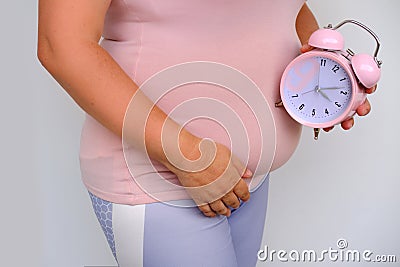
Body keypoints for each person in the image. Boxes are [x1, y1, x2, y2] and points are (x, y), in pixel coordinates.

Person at [37, 1, 376, 266]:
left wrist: (322, 77)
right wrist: (187, 154)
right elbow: (61, 44)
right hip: (157, 180)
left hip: (247, 181)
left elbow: (287, 9)